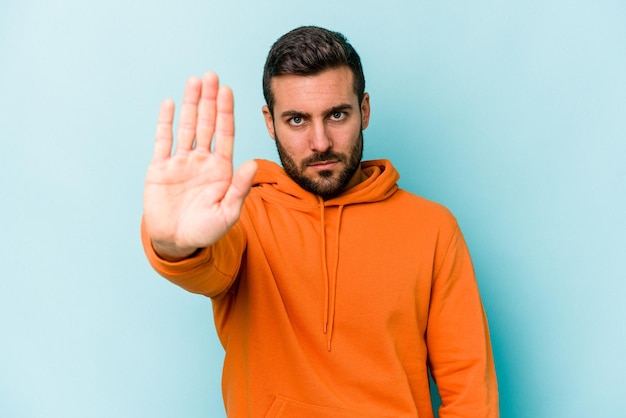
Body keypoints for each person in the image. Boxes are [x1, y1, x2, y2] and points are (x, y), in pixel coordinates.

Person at [141, 26, 499, 418]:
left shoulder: (433, 229)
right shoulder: (242, 217)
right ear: (269, 122)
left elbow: (469, 392)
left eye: (337, 115)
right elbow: (204, 267)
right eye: (296, 120)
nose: (321, 142)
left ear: (363, 110)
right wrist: (175, 243)